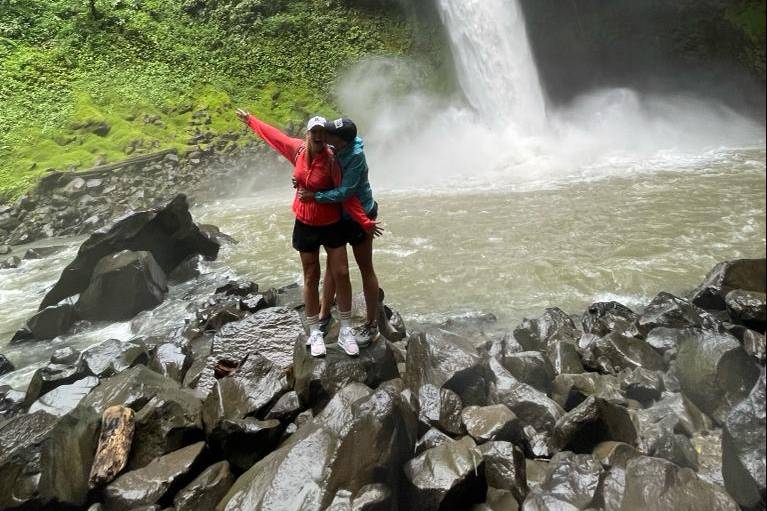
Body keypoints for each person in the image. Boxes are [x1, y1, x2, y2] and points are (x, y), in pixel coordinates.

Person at [235, 108, 376, 357]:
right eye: (315, 132)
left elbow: (347, 193)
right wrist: (251, 121)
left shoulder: (334, 160)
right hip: (305, 222)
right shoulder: (298, 150)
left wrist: (365, 221)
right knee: (311, 276)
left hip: (332, 222)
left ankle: (345, 330)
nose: (319, 136)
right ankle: (315, 331)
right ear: (308, 134)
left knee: (341, 272)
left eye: (323, 132)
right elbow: (275, 137)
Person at [297, 118, 381, 347]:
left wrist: (316, 197)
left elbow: (345, 192)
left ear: (341, 141)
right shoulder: (337, 146)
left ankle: (372, 324)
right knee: (336, 269)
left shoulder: (355, 157)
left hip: (359, 217)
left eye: (330, 135)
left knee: (366, 268)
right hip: (339, 217)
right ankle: (325, 314)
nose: (325, 137)